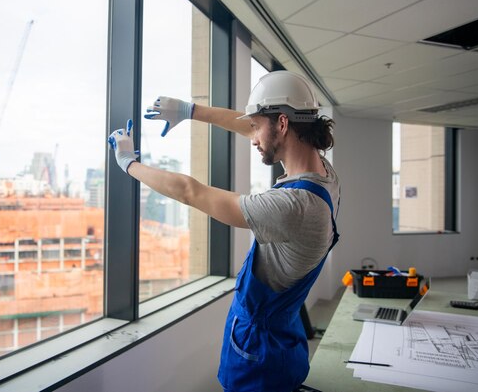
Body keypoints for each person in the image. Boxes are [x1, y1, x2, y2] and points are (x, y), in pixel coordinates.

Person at [108, 70, 340, 392]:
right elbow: (255, 128)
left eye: (257, 127)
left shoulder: (291, 206)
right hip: (284, 342)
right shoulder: (326, 175)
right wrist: (190, 111)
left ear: (284, 124)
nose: (253, 137)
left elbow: (191, 192)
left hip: (258, 357)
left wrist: (128, 163)